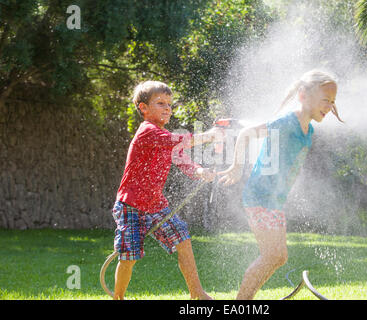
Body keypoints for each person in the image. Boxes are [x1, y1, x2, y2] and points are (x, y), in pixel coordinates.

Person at [218, 70, 344, 300]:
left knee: (278, 256)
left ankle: (245, 300)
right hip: (260, 196)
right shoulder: (288, 121)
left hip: (274, 200)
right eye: (325, 100)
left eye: (332, 101)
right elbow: (246, 133)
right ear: (304, 95)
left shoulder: (309, 128)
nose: (329, 106)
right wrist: (236, 168)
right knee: (272, 255)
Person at [112, 80, 222, 300]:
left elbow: (183, 160)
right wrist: (210, 135)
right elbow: (179, 141)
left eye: (169, 104)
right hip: (130, 206)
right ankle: (118, 298)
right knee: (129, 257)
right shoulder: (149, 132)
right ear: (143, 108)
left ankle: (197, 293)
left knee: (184, 241)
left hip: (156, 205)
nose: (167, 108)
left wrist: (200, 172)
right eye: (160, 103)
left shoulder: (164, 138)